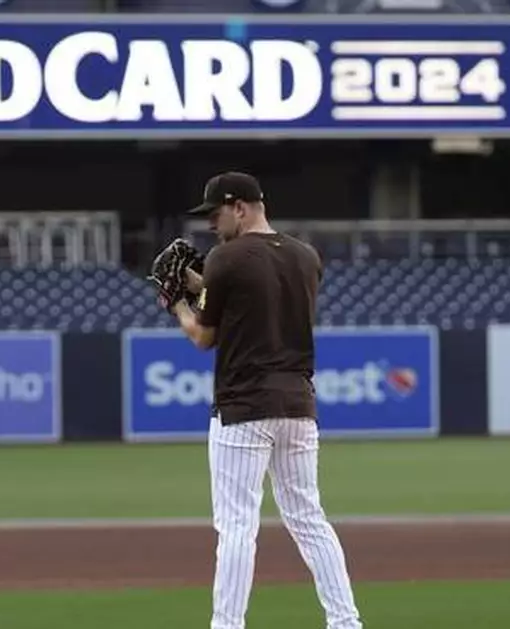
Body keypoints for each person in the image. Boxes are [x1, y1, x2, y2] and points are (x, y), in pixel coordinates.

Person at [155, 172, 365, 629]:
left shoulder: (226, 258)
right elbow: (254, 300)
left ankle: (227, 626)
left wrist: (176, 303)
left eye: (214, 213)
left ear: (239, 206)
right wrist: (199, 282)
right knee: (309, 518)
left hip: (244, 406)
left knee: (236, 528)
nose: (210, 224)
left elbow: (203, 336)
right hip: (297, 405)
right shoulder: (306, 256)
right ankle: (346, 622)